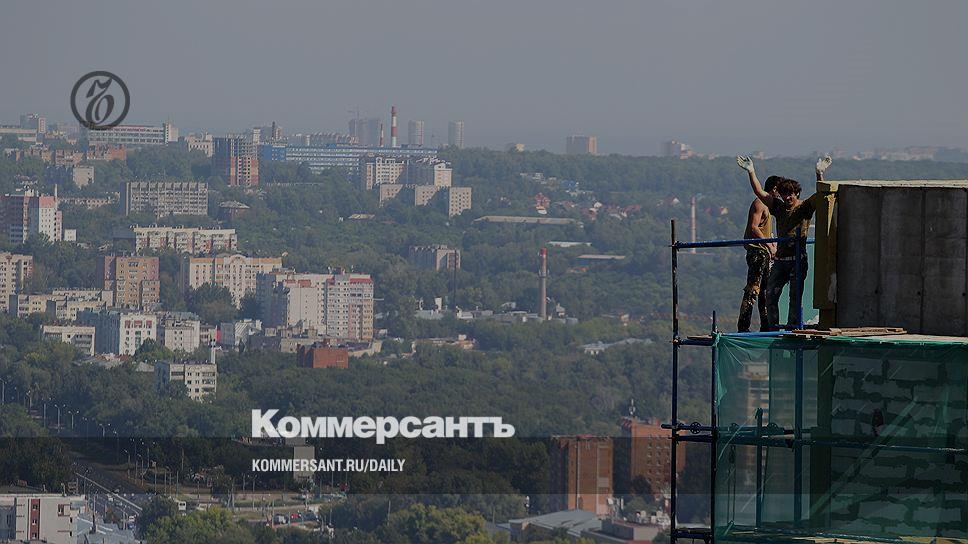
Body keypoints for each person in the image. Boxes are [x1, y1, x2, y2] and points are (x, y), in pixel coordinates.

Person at [736, 154, 832, 330]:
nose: (787, 198)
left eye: (791, 194)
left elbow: (822, 195)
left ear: (797, 194)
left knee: (794, 298)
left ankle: (792, 328)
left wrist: (819, 174)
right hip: (780, 261)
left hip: (797, 260)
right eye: (784, 194)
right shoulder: (778, 208)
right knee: (771, 296)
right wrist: (751, 171)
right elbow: (759, 192)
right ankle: (772, 329)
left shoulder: (804, 207)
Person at [737, 176, 779, 332]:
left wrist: (772, 243)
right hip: (757, 251)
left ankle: (766, 325)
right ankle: (743, 326)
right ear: (774, 189)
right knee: (753, 288)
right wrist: (768, 244)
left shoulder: (769, 206)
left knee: (765, 290)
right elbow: (754, 227)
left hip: (764, 251)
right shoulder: (760, 203)